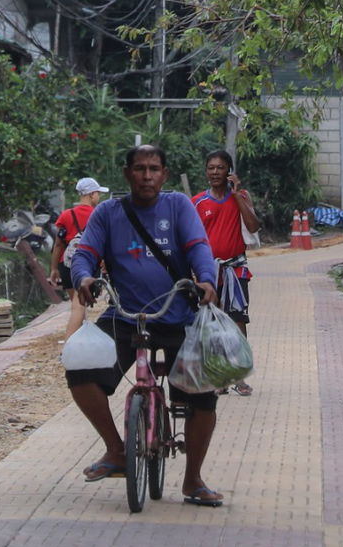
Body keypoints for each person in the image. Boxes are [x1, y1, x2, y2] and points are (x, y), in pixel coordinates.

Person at [67, 144, 225, 506]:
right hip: (124, 315)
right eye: (140, 169)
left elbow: (199, 245)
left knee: (203, 397)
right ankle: (116, 449)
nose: (148, 175)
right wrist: (83, 278)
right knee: (80, 369)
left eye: (155, 168)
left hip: (177, 315)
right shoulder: (107, 213)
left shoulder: (179, 206)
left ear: (164, 174)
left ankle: (193, 480)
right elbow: (86, 252)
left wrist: (206, 279)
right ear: (127, 174)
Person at [191, 150, 260, 396]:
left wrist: (237, 195)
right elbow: (190, 238)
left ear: (229, 171)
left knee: (238, 321)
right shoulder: (198, 202)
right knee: (211, 324)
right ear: (206, 171)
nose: (215, 172)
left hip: (235, 269)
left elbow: (253, 226)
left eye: (220, 168)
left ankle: (239, 377)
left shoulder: (240, 197)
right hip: (208, 272)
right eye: (211, 168)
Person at [49, 177, 108, 340]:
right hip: (88, 266)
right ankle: (69, 345)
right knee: (79, 305)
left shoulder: (66, 215)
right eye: (98, 193)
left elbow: (59, 245)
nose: (99, 197)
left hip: (66, 266)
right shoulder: (99, 214)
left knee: (77, 303)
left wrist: (54, 269)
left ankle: (78, 341)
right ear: (92, 194)